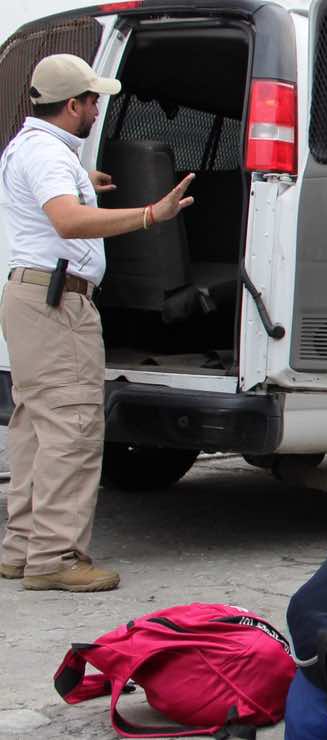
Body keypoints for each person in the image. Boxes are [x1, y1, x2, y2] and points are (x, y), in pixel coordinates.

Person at [0, 54, 196, 592]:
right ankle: (57, 558)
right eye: (91, 101)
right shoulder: (47, 155)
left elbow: (53, 197)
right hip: (57, 304)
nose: (96, 109)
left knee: (35, 426)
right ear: (71, 105)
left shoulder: (32, 147)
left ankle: (23, 548)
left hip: (33, 298)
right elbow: (65, 221)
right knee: (72, 426)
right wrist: (150, 215)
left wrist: (81, 181)